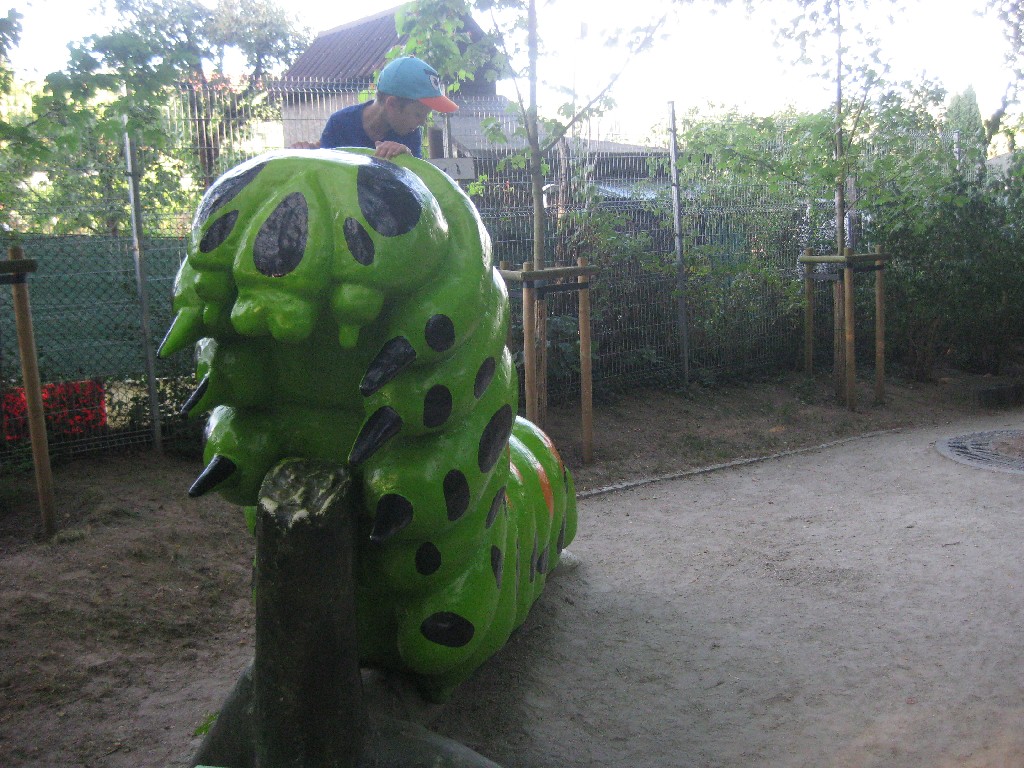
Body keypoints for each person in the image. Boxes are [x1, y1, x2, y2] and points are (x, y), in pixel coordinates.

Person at [319, 56, 458, 160]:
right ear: (391, 104)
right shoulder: (339, 125)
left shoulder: (410, 134)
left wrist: (408, 159)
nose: (422, 123)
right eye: (418, 114)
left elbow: (417, 184)